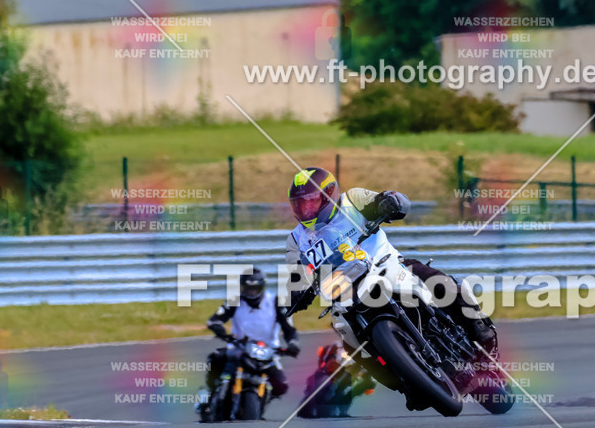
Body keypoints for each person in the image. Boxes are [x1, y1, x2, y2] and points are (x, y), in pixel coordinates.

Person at [282, 166, 496, 348]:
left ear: (329, 194)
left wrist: (389, 202)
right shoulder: (296, 239)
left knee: (442, 285)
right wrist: (296, 294)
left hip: (385, 263)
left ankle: (484, 335)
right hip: (344, 292)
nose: (306, 209)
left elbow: (393, 199)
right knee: (348, 341)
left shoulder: (352, 200)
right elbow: (296, 274)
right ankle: (408, 386)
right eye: (300, 204)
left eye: (311, 201)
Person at [206, 268, 301, 405]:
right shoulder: (234, 301)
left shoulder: (275, 302)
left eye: (254, 288)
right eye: (247, 288)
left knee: (282, 385)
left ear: (261, 287)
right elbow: (216, 319)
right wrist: (219, 328)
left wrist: (293, 343)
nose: (251, 292)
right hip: (239, 347)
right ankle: (212, 394)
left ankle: (263, 398)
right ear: (241, 287)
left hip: (268, 351)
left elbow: (289, 328)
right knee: (215, 358)